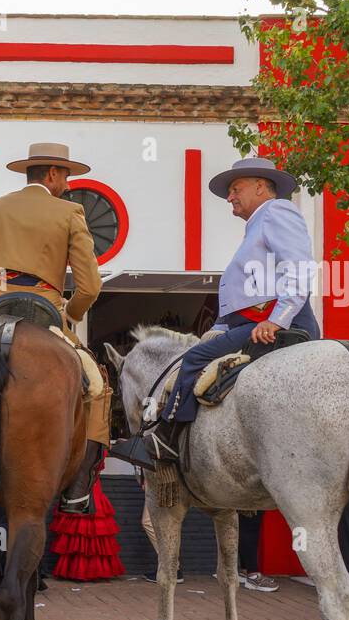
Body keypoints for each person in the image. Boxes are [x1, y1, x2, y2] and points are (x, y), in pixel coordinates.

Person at [111, 157, 321, 469]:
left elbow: (298, 268)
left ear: (262, 187)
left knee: (192, 359)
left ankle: (165, 440)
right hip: (256, 323)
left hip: (274, 326)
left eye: (237, 189)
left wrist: (277, 320)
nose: (230, 197)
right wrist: (221, 326)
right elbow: (252, 292)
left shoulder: (277, 212)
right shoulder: (260, 223)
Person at [0, 141, 109, 511]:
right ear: (52, 174)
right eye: (66, 176)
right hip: (46, 315)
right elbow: (90, 286)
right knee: (97, 388)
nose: (68, 184)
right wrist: (72, 313)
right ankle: (78, 489)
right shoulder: (70, 212)